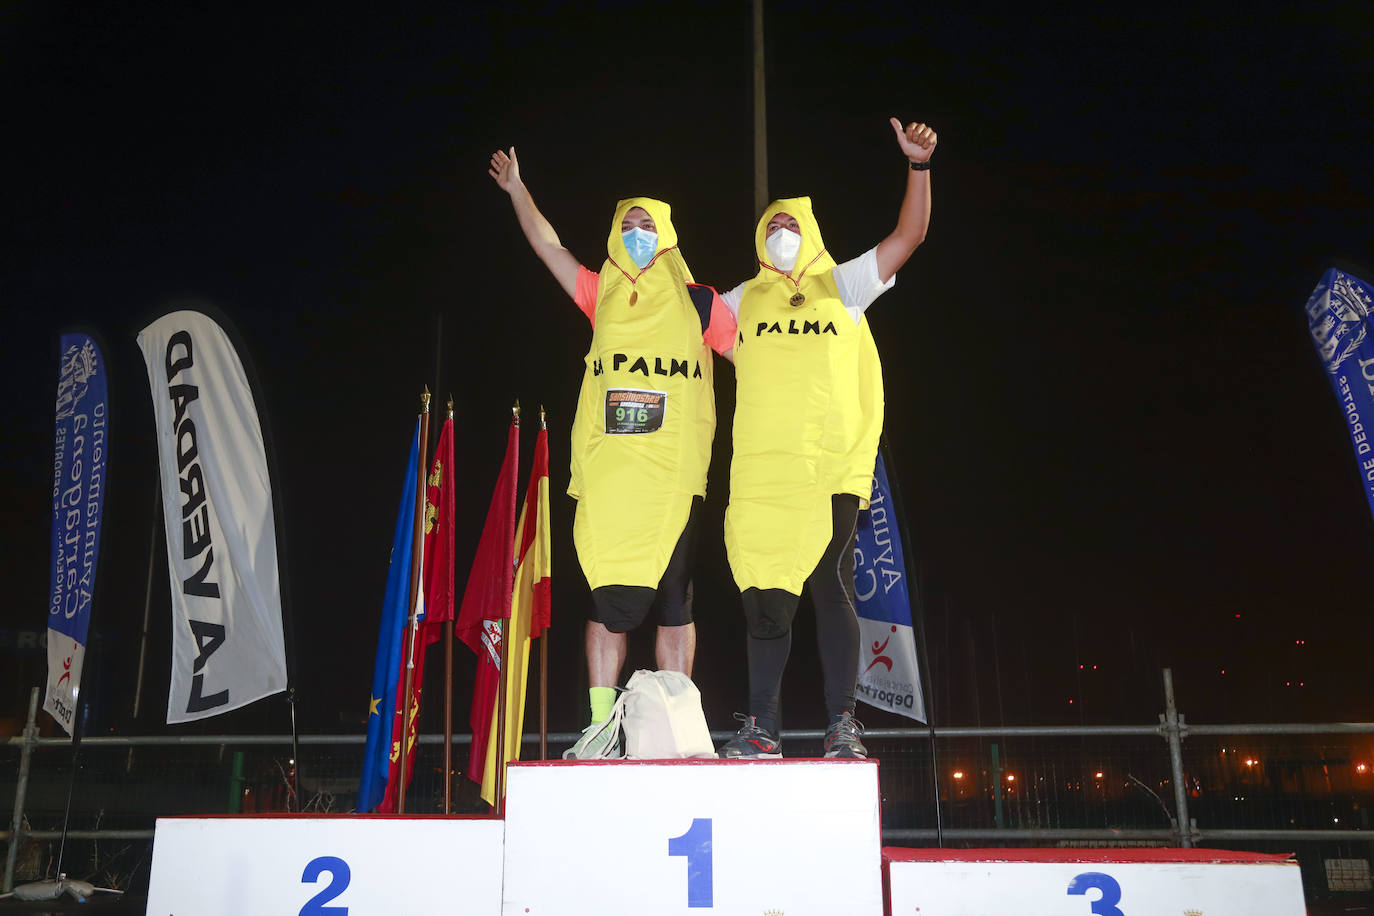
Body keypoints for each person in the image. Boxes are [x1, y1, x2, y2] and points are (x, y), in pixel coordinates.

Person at [488, 147, 736, 757]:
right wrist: (519, 187)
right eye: (627, 226)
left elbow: (759, 351)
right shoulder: (598, 294)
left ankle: (676, 725)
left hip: (671, 482)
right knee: (606, 603)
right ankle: (600, 729)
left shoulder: (699, 302)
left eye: (648, 226)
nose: (637, 235)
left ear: (669, 236)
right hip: (609, 480)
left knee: (676, 605)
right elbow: (549, 247)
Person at [717, 118, 936, 759]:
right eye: (772, 228)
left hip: (829, 467)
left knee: (826, 581)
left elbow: (910, 235)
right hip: (763, 474)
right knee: (766, 598)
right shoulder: (742, 301)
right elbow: (677, 321)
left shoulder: (842, 286)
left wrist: (918, 167)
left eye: (791, 226)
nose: (782, 236)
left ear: (810, 235)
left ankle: (842, 725)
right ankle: (762, 729)